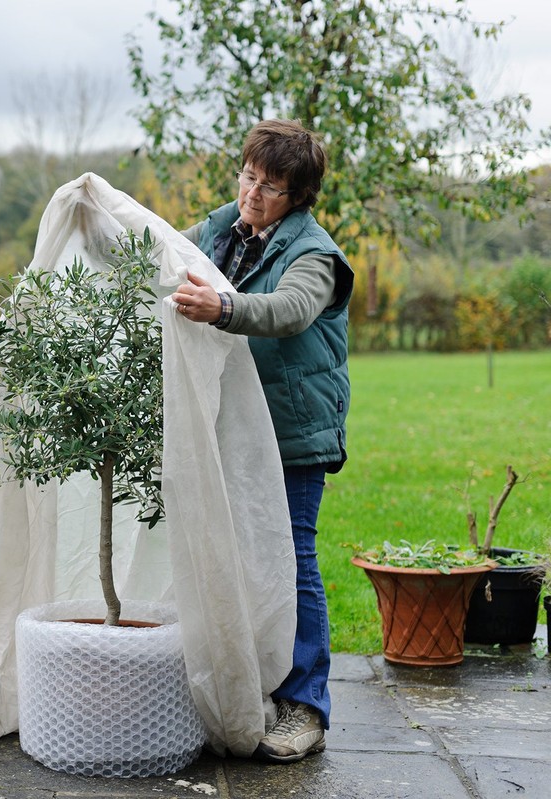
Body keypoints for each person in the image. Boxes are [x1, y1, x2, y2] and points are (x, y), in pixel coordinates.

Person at [170, 119, 354, 764]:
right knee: (228, 557)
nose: (253, 194)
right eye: (248, 177)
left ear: (299, 196)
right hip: (225, 426)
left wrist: (223, 309)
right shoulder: (222, 230)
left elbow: (288, 310)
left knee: (292, 558)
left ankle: (305, 707)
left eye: (271, 187)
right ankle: (247, 686)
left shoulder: (316, 255)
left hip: (293, 432)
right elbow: (156, 252)